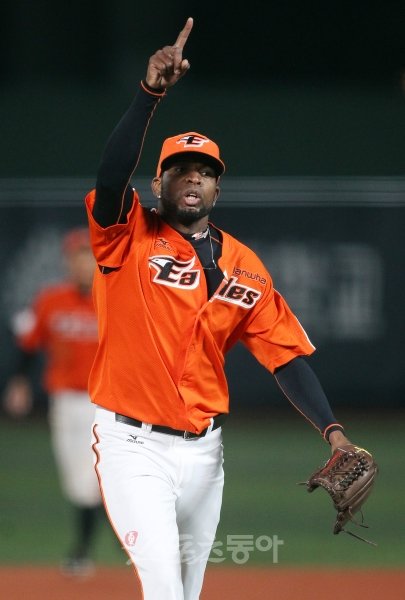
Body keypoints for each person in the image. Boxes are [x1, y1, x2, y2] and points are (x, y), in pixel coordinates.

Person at [86, 17, 355, 600]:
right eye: (180, 169)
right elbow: (110, 176)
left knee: (188, 592)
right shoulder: (125, 237)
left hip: (206, 454)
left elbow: (286, 356)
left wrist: (333, 432)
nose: (194, 178)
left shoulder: (246, 265)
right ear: (157, 184)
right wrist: (149, 94)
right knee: (163, 587)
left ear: (217, 190)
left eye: (205, 172)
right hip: (133, 447)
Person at [3, 227, 102, 576]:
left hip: (105, 403)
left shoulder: (115, 300)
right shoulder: (51, 300)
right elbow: (29, 344)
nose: (83, 264)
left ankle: (82, 551)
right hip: (63, 402)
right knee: (75, 479)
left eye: (89, 257)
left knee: (91, 478)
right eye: (77, 257)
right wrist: (18, 381)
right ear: (68, 262)